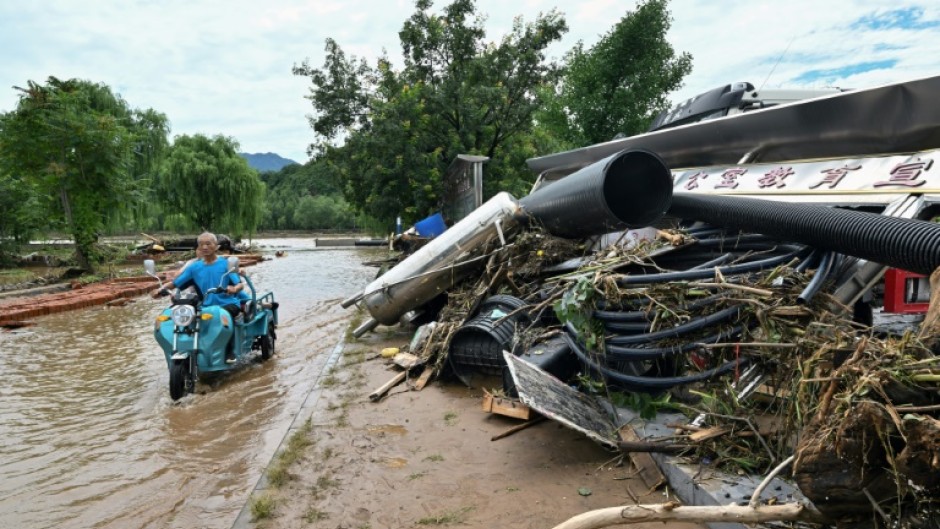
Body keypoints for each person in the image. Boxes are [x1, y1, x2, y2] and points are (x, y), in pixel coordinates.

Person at [152, 232, 244, 362]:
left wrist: (234, 288)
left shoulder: (226, 264)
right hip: (206, 305)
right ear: (198, 247)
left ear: (216, 246)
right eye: (201, 244)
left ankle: (230, 350)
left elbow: (240, 284)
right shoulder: (194, 267)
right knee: (185, 316)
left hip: (228, 303)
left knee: (226, 316)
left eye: (208, 244)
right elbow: (175, 283)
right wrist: (160, 290)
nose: (205, 247)